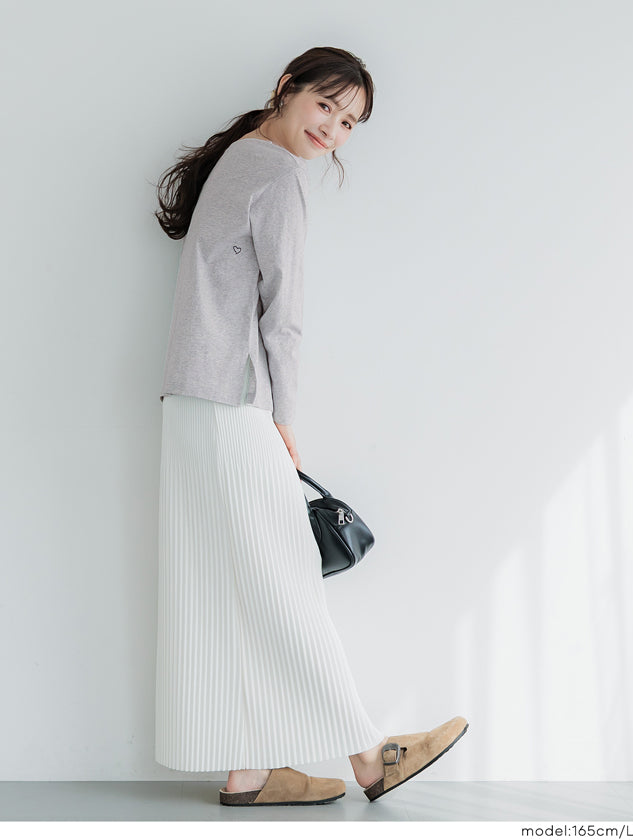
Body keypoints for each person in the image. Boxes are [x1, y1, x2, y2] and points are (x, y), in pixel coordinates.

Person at [153, 45, 468, 807]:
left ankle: (249, 772)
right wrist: (285, 417)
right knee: (284, 582)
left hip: (192, 400)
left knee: (226, 584)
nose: (333, 128)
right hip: (235, 402)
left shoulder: (239, 157)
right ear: (286, 89)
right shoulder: (277, 174)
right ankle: (370, 757)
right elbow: (283, 318)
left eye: (350, 122)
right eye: (326, 105)